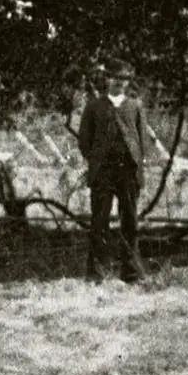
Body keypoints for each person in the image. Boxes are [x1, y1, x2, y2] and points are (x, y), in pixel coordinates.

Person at [76, 59, 160, 283]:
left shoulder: (135, 106)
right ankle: (97, 273)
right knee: (99, 221)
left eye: (124, 80)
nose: (120, 83)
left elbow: (142, 140)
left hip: (128, 172)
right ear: (107, 80)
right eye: (115, 79)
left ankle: (131, 273)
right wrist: (96, 161)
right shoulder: (94, 106)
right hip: (103, 172)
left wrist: (137, 164)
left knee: (130, 221)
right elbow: (85, 141)